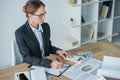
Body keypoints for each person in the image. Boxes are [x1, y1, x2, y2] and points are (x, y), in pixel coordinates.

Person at [15, 0, 72, 69]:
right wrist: (50, 63)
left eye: (44, 14)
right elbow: (27, 57)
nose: (44, 17)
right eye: (40, 15)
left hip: (48, 64)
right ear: (30, 15)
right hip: (32, 65)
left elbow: (48, 47)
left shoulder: (46, 26)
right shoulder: (20, 33)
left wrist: (58, 51)